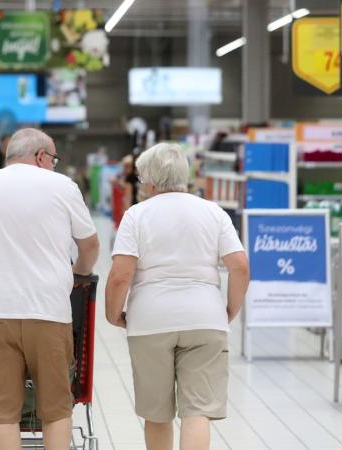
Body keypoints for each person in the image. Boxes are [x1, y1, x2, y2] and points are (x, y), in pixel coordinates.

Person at [0, 128, 99, 450]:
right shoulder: (62, 186)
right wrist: (77, 274)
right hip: (50, 312)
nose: (54, 165)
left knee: (2, 414)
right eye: (53, 159)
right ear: (41, 156)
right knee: (56, 409)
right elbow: (90, 244)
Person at [104, 143, 250, 450]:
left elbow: (120, 276)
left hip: (150, 321)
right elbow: (240, 266)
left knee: (157, 415)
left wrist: (113, 314)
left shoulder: (136, 216)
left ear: (153, 181)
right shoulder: (214, 212)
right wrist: (228, 311)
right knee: (197, 413)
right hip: (205, 317)